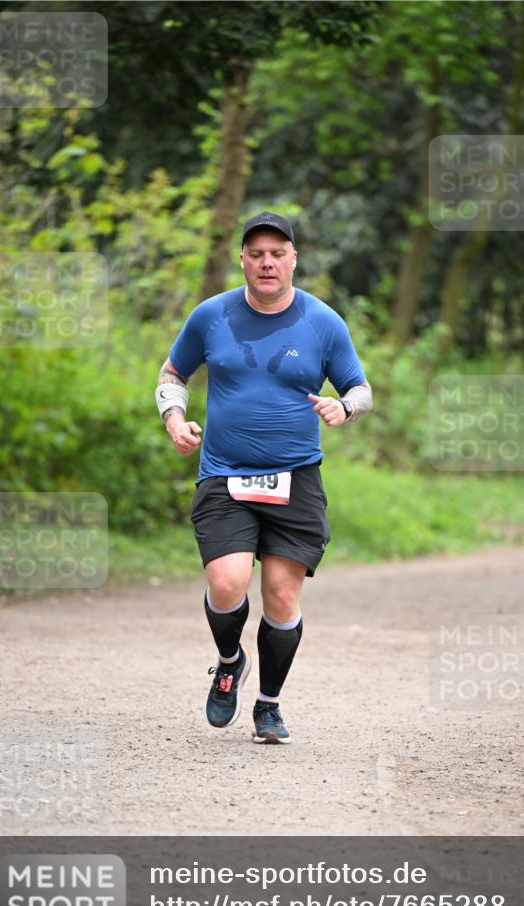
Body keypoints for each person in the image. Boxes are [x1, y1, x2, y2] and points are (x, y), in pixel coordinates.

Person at [155, 211, 372, 744]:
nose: (267, 263)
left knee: (280, 597)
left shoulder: (323, 322)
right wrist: (175, 419)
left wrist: (345, 409)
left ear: (294, 258)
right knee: (226, 584)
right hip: (224, 475)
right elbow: (172, 374)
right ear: (243, 260)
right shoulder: (211, 316)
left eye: (277, 253)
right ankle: (230, 661)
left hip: (295, 480)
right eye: (256, 254)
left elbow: (361, 389)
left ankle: (269, 706)